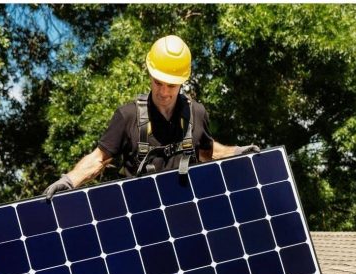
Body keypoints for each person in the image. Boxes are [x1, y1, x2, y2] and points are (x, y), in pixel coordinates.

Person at [44, 35, 259, 200]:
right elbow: (99, 159)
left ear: (182, 82)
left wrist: (238, 153)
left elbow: (207, 152)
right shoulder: (127, 116)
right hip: (137, 216)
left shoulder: (196, 113)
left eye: (171, 85)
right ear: (150, 74)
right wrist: (69, 181)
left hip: (183, 212)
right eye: (158, 82)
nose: (164, 92)